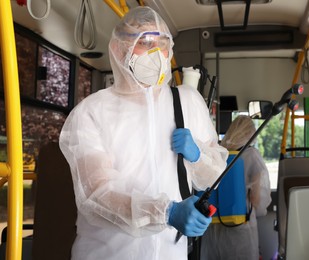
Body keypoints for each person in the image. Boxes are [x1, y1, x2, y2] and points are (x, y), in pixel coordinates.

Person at [59, 6, 228, 260]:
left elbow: (213, 175)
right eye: (144, 43)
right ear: (119, 50)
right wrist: (166, 213)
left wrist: (198, 156)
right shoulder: (93, 112)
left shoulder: (187, 102)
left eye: (161, 44)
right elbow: (96, 196)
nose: (155, 53)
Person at [200, 115, 272, 260]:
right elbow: (257, 199)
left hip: (213, 227)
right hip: (240, 227)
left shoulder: (218, 153)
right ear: (250, 134)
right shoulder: (252, 155)